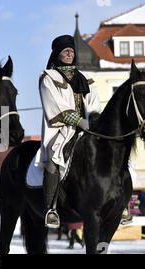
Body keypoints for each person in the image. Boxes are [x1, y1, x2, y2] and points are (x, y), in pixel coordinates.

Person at [36, 35, 101, 228]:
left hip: (87, 128)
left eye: (72, 51)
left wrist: (94, 120)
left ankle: (120, 203)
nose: (70, 54)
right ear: (57, 53)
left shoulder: (85, 78)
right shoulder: (48, 77)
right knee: (54, 158)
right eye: (66, 51)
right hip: (62, 130)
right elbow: (55, 106)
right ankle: (51, 208)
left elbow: (94, 103)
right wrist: (78, 120)